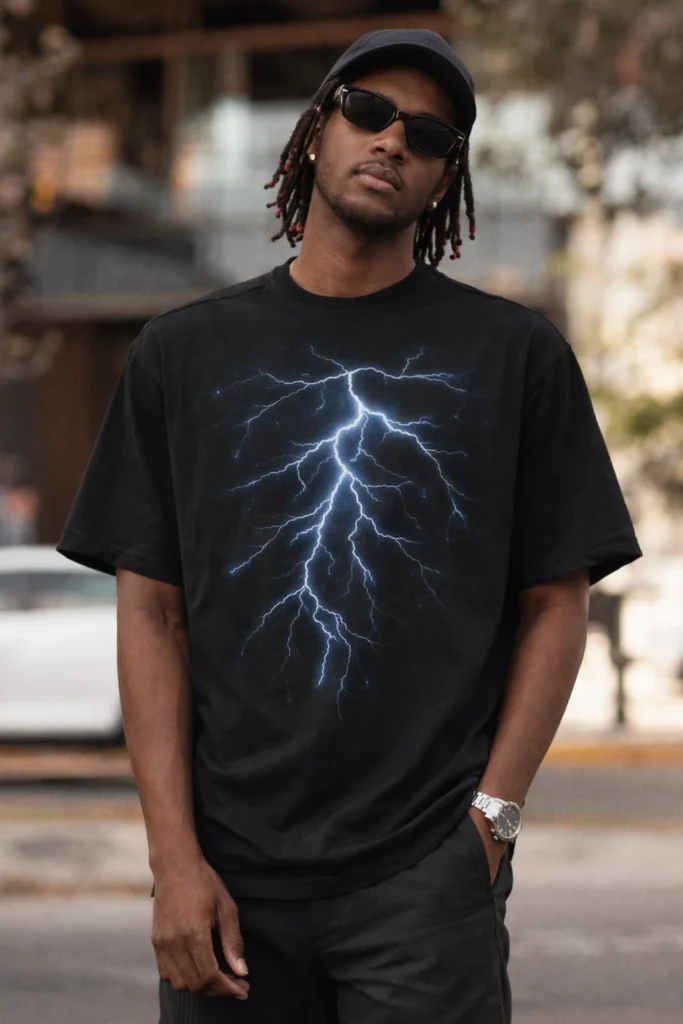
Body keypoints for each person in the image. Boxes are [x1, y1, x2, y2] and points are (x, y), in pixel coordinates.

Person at [58, 28, 641, 1024]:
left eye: (425, 133)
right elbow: (151, 612)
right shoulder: (181, 356)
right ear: (314, 129)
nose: (390, 141)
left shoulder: (512, 355)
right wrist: (173, 862)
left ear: (444, 174)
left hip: (423, 875)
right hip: (230, 871)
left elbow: (554, 600)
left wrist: (489, 823)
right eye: (367, 111)